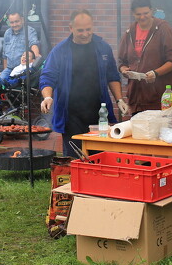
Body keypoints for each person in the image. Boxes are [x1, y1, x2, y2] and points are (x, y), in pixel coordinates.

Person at [40, 10, 126, 158]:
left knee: (100, 156)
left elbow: (112, 75)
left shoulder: (103, 47)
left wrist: (120, 100)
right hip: (70, 114)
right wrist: (47, 97)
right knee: (75, 158)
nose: (85, 34)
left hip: (100, 113)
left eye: (88, 29)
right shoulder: (60, 51)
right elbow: (48, 77)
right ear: (71, 28)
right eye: (80, 30)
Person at [117, 0, 172, 115]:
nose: (142, 17)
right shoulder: (129, 32)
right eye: (138, 14)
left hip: (159, 99)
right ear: (133, 14)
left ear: (151, 11)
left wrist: (155, 73)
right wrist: (124, 69)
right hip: (136, 99)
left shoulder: (162, 29)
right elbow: (121, 61)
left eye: (145, 13)